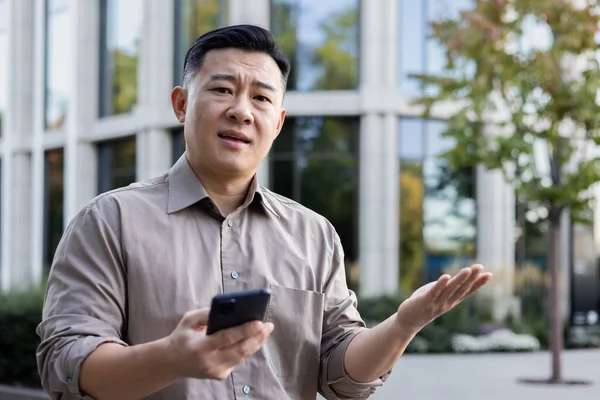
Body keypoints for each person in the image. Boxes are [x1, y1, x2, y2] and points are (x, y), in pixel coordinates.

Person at [36, 24, 492, 400]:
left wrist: (401, 325)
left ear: (278, 122)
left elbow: (339, 375)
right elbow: (66, 363)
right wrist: (171, 358)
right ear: (181, 104)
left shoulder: (313, 233)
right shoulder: (110, 221)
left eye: (260, 98)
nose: (241, 111)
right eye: (222, 89)